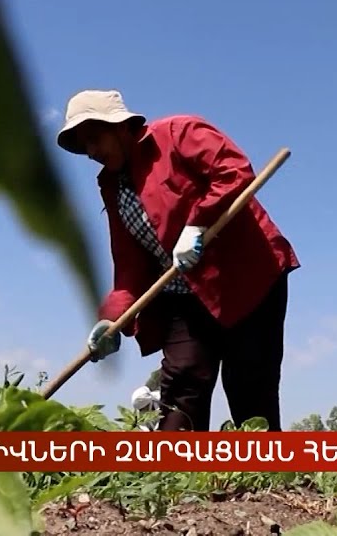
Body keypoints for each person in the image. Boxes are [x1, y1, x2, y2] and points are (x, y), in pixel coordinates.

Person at [55, 89, 300, 432]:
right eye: (85, 146)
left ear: (120, 126)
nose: (92, 152)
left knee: (249, 386)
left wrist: (198, 223)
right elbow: (129, 266)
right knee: (182, 382)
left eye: (95, 138)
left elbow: (233, 171)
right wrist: (111, 320)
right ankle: (176, 463)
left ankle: (262, 459)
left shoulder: (178, 133)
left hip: (246, 281)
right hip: (186, 298)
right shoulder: (112, 185)